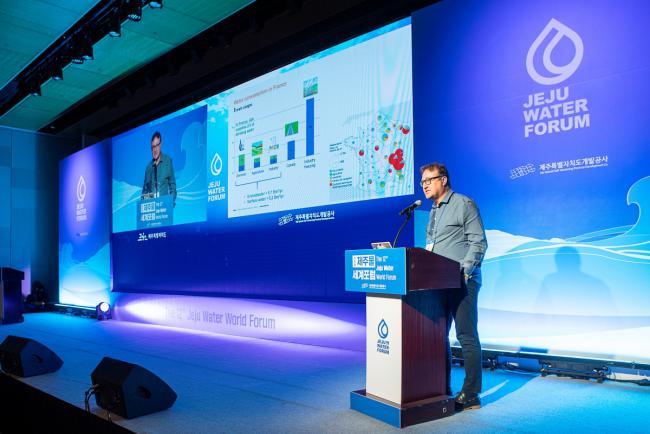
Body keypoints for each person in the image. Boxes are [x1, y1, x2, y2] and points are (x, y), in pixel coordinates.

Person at [420, 162, 487, 411]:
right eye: (422, 182)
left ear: (443, 179)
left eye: (429, 180)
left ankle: (471, 394)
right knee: (438, 337)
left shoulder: (463, 204)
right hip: (438, 283)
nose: (424, 185)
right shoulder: (433, 211)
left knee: (466, 336)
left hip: (462, 282)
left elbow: (478, 242)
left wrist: (464, 272)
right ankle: (442, 386)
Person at [141, 131, 177, 206]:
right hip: (152, 209)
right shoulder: (148, 168)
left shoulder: (167, 161)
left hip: (165, 208)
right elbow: (144, 192)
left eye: (156, 145)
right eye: (152, 147)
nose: (155, 149)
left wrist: (170, 203)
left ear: (160, 144)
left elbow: (172, 186)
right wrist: (144, 202)